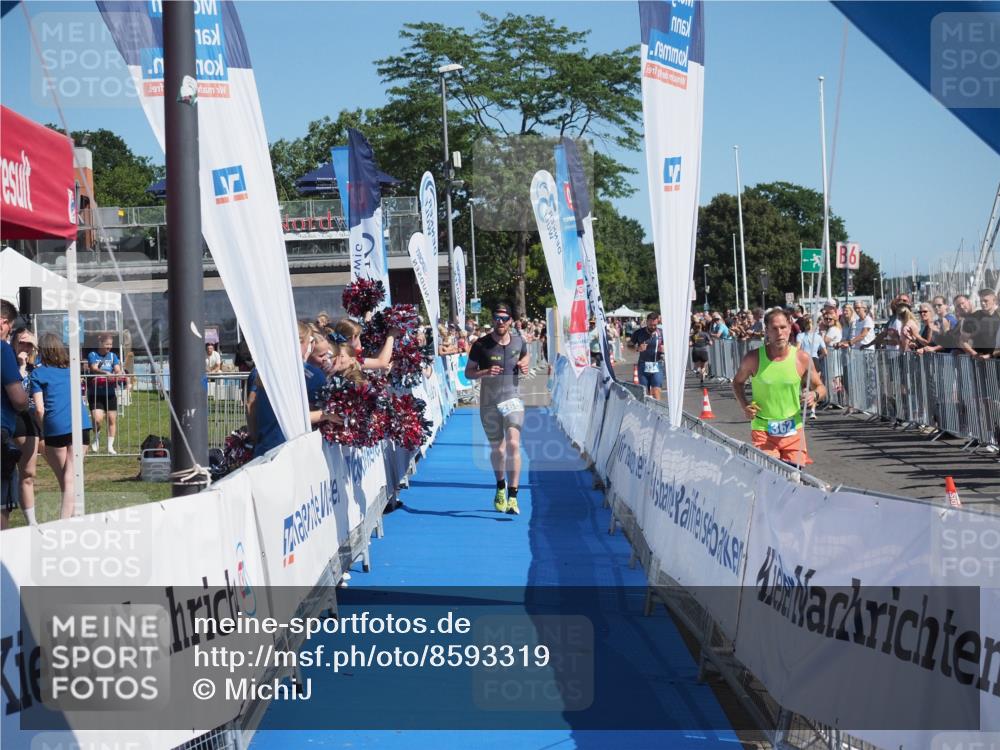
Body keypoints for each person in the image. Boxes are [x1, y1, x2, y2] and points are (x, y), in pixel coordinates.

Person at [732, 308, 826, 465]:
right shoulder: (753, 358)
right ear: (767, 331)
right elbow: (737, 382)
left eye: (783, 327)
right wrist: (745, 406)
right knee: (772, 478)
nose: (779, 333)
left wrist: (814, 395)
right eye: (774, 329)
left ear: (789, 328)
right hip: (763, 430)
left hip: (793, 429)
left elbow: (821, 387)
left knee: (794, 481)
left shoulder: (802, 358)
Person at [464, 303, 530, 515]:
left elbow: (525, 356)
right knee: (498, 450)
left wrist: (525, 364)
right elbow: (468, 373)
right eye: (496, 318)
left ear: (511, 320)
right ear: (493, 320)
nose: (500, 322)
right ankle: (500, 486)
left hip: (512, 399)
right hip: (489, 402)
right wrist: (484, 372)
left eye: (504, 318)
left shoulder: (519, 341)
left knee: (513, 444)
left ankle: (513, 495)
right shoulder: (481, 345)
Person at [30, 333, 93, 519]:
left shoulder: (37, 374)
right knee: (71, 477)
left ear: (41, 350)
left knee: (65, 479)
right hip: (80, 424)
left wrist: (42, 430)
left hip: (54, 427)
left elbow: (39, 409)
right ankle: (73, 519)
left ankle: (64, 521)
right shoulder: (72, 370)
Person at [1, 300, 31, 529]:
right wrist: (24, 404)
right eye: (10, 326)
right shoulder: (2, 350)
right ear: (3, 325)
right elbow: (19, 398)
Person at [11, 329, 40, 526]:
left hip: (29, 420)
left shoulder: (35, 368)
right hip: (9, 419)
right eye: (22, 343)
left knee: (28, 473)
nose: (26, 348)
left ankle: (32, 522)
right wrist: (20, 367)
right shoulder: (8, 364)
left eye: (30, 345)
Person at [87, 333, 125, 454]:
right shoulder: (92, 355)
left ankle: (110, 446)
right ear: (101, 343)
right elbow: (93, 368)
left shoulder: (113, 356)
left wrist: (118, 373)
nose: (109, 347)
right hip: (96, 393)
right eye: (107, 344)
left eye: (111, 344)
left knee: (111, 419)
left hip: (110, 392)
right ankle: (96, 439)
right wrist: (105, 373)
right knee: (97, 419)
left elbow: (118, 369)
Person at [795, 317, 826, 420]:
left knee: (804, 386)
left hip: (804, 360)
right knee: (816, 387)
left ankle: (803, 408)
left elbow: (798, 349)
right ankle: (812, 411)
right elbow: (825, 352)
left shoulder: (800, 336)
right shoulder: (818, 337)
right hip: (815, 360)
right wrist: (818, 357)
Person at [629, 312, 665, 399]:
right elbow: (629, 346)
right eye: (650, 325)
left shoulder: (661, 333)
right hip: (643, 365)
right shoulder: (639, 333)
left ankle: (658, 411)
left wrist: (664, 349)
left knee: (656, 390)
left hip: (657, 364)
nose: (653, 327)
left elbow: (669, 347)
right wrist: (638, 349)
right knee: (645, 393)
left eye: (655, 325)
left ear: (658, 322)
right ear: (647, 322)